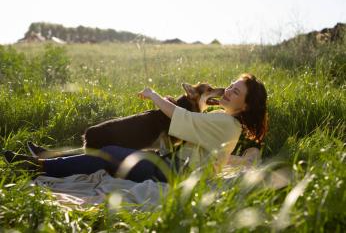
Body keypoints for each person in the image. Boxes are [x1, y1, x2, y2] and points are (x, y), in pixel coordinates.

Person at [2, 73, 268, 182]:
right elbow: (214, 156)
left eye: (236, 91)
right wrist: (241, 161)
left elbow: (184, 119)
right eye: (231, 86)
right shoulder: (225, 123)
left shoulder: (224, 122)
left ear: (245, 106)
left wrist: (153, 96)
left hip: (173, 173)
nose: (229, 90)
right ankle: (44, 160)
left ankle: (37, 166)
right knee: (110, 150)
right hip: (171, 165)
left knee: (109, 154)